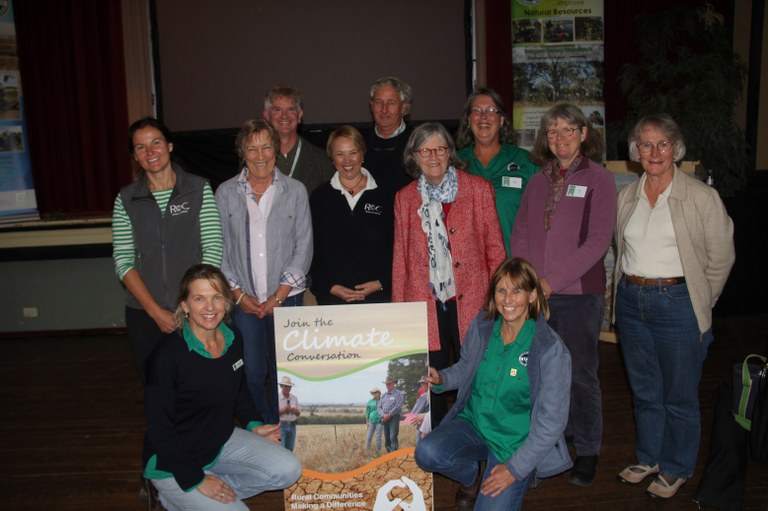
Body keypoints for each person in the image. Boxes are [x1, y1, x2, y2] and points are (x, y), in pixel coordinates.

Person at [614, 114, 735, 499]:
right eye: (645, 144)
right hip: (632, 301)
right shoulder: (627, 195)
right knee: (645, 390)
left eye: (662, 143)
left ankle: (677, 466)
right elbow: (622, 249)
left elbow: (721, 258)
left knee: (679, 394)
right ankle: (649, 456)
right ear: (635, 151)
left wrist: (700, 300)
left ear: (676, 149)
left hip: (677, 304)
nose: (654, 152)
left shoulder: (701, 197)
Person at [509, 103, 616, 487]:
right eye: (552, 132)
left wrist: (550, 283)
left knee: (581, 376)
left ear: (584, 133)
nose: (559, 138)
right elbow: (520, 231)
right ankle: (556, 441)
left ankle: (587, 450)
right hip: (538, 296)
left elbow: (597, 243)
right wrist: (527, 280)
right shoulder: (538, 180)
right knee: (542, 375)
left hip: (578, 296)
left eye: (568, 129)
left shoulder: (599, 179)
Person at [415, 258, 572, 511]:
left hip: (514, 445)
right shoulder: (483, 325)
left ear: (532, 296)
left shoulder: (550, 349)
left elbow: (552, 422)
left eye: (517, 290)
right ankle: (471, 476)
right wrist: (442, 379)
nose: (508, 299)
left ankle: (519, 474)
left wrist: (514, 469)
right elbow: (465, 368)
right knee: (427, 452)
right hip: (475, 424)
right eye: (501, 290)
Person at [143, 264, 301, 510]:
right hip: (172, 461)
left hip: (218, 442)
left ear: (227, 303)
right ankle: (171, 497)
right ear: (185, 306)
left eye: (217, 297)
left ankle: (203, 497)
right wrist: (196, 479)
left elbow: (238, 390)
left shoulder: (233, 337)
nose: (209, 307)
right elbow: (159, 432)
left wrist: (253, 424)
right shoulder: (167, 358)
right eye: (199, 298)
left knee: (289, 469)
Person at [392, 122, 506, 427]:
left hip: (474, 300)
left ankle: (476, 434)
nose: (433, 156)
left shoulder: (478, 190)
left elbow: (495, 250)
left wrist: (499, 299)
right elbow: (400, 259)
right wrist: (400, 312)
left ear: (449, 153)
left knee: (476, 373)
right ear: (414, 156)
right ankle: (440, 438)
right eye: (425, 150)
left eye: (439, 148)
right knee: (432, 377)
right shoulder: (404, 199)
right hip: (425, 302)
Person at [215, 118, 312, 425]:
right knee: (253, 370)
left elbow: (304, 246)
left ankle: (286, 428)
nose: (260, 155)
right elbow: (221, 249)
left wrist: (279, 296)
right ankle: (263, 425)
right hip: (243, 302)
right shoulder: (226, 192)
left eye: (266, 147)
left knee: (284, 370)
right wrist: (238, 294)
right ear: (242, 153)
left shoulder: (295, 191)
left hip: (287, 299)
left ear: (276, 150)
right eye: (252, 148)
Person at [112, 116, 223, 380]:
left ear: (170, 145)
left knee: (199, 382)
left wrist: (191, 304)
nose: (150, 152)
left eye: (156, 142)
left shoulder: (198, 189)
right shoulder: (126, 199)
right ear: (135, 156)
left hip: (195, 310)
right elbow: (124, 261)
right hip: (145, 314)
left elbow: (213, 249)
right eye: (141, 147)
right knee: (156, 385)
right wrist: (155, 312)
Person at [309, 125, 394, 304]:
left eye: (353, 152)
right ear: (332, 158)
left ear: (363, 154)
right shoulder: (319, 198)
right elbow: (311, 251)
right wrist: (330, 287)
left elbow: (398, 248)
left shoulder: (387, 195)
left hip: (380, 298)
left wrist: (381, 283)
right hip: (332, 299)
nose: (347, 160)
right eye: (340, 154)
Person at [456, 87, 538, 255]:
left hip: (513, 268)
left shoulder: (525, 161)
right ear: (469, 120)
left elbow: (542, 219)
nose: (484, 116)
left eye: (492, 110)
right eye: (477, 110)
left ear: (501, 120)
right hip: (468, 269)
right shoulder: (454, 163)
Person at [262, 83, 335, 196]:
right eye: (277, 110)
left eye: (291, 109)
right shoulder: (255, 159)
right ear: (267, 115)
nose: (284, 116)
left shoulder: (322, 160)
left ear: (300, 115)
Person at [363, 76, 415, 191]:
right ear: (371, 106)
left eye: (391, 103)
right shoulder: (360, 142)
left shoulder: (417, 141)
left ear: (403, 107)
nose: (384, 109)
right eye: (378, 102)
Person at [378, 377, 404, 453]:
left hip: (394, 417)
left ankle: (394, 453)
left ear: (393, 384)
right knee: (387, 437)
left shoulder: (399, 394)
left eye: (389, 384)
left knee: (393, 436)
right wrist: (383, 415)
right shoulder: (384, 395)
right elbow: (379, 406)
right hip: (384, 418)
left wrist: (388, 415)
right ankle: (389, 453)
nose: (387, 385)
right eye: (386, 384)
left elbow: (398, 406)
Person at [278, 375, 301, 452]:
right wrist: (284, 410)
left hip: (292, 426)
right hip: (281, 426)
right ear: (281, 386)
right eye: (286, 386)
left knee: (290, 450)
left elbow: (298, 413)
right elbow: (274, 414)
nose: (288, 388)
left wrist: (295, 411)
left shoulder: (294, 398)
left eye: (289, 387)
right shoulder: (277, 398)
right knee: (281, 449)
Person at [365, 387, 384, 453]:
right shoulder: (370, 402)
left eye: (375, 392)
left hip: (380, 422)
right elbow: (367, 412)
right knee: (369, 436)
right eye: (373, 393)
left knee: (378, 437)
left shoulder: (383, 401)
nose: (374, 394)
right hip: (371, 422)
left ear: (379, 393)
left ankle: (378, 451)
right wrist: (367, 422)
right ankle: (367, 451)